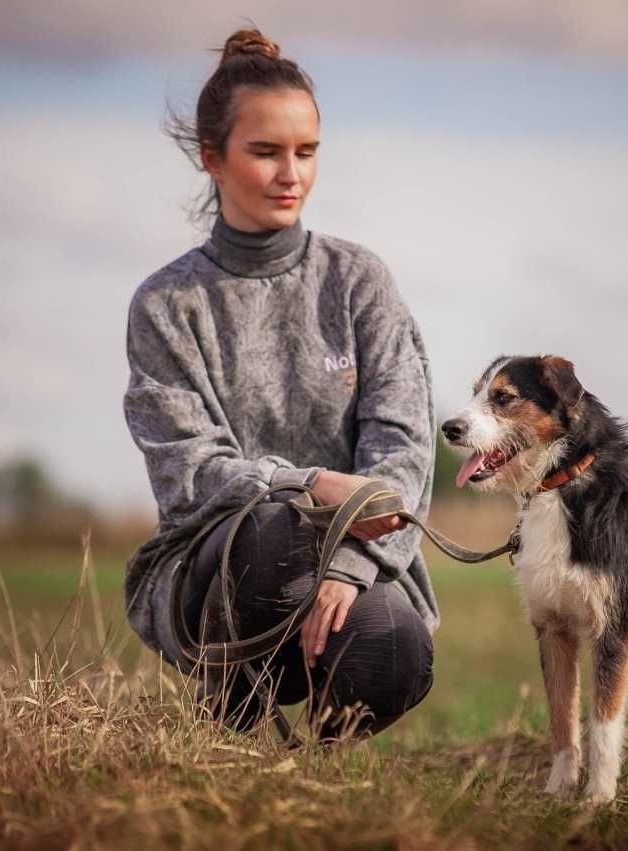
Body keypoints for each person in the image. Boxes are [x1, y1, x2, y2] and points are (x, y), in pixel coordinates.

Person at [121, 27, 437, 737]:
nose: (290, 173)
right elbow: (193, 474)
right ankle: (238, 709)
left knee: (395, 651)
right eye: (265, 152)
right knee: (277, 524)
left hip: (351, 564)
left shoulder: (359, 280)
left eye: (306, 152)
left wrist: (352, 564)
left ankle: (314, 775)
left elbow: (404, 452)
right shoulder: (165, 305)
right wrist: (315, 483)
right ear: (213, 159)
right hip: (218, 576)